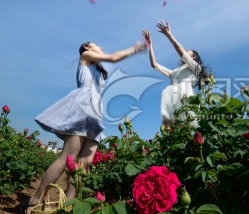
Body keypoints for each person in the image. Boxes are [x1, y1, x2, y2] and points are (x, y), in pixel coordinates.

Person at [21, 40, 146, 213]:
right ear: (87, 47)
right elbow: (114, 57)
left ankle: (69, 204)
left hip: (94, 112)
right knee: (66, 158)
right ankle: (34, 200)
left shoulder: (97, 69)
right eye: (97, 45)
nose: (101, 47)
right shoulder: (85, 56)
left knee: (85, 162)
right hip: (82, 108)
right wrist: (135, 49)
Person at [142, 20, 210, 131]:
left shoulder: (196, 67)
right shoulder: (175, 73)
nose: (185, 51)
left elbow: (182, 53)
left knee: (184, 128)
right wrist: (150, 45)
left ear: (194, 58)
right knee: (168, 128)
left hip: (186, 98)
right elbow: (154, 65)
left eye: (188, 51)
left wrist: (169, 35)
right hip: (171, 96)